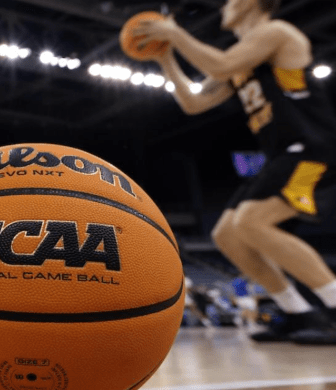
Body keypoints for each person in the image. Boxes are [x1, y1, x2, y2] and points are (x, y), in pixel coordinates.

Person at [136, 0, 336, 343]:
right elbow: (193, 102)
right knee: (227, 235)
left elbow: (222, 62)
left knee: (252, 221)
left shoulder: (275, 33)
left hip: (312, 149)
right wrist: (165, 57)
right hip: (281, 155)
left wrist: (176, 33)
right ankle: (298, 312)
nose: (225, 6)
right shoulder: (241, 60)